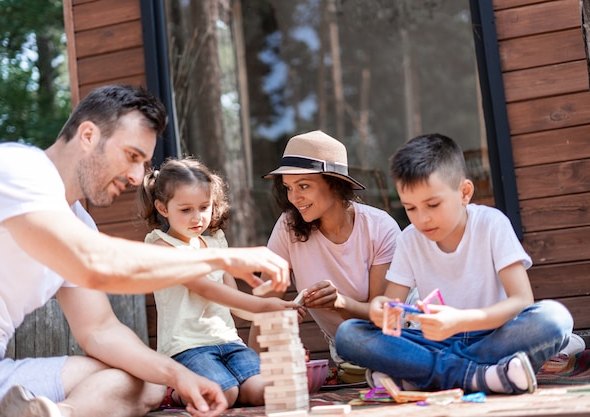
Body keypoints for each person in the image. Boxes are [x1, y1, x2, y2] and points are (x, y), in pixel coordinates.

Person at [0, 84, 291, 417]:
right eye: (132, 156)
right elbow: (92, 261)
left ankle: (54, 414)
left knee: (146, 381)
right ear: (88, 136)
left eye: (144, 163)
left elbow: (99, 330)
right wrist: (220, 258)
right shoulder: (16, 167)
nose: (137, 176)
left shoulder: (78, 222)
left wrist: (178, 375)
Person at [334, 133, 574, 395]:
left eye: (433, 204)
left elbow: (521, 300)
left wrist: (460, 321)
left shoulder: (491, 224)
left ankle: (425, 376)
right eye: (410, 208)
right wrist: (381, 309)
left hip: (491, 336)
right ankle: (480, 376)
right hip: (432, 341)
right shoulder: (409, 240)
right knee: (349, 334)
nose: (422, 219)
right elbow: (392, 306)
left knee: (555, 319)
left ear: (464, 193)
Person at [136, 157, 300, 408]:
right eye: (186, 209)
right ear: (162, 208)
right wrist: (265, 307)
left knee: (264, 392)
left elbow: (232, 300)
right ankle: (173, 392)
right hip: (187, 348)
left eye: (204, 207)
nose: (197, 217)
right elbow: (205, 287)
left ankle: (227, 384)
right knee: (224, 395)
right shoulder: (161, 245)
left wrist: (274, 314)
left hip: (229, 343)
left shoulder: (215, 243)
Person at [250, 130, 401, 365]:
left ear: (334, 184)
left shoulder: (380, 228)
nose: (294, 198)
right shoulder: (287, 227)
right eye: (288, 187)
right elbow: (264, 309)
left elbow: (383, 317)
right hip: (348, 350)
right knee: (346, 339)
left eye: (303, 186)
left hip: (397, 338)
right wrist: (252, 373)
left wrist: (339, 303)